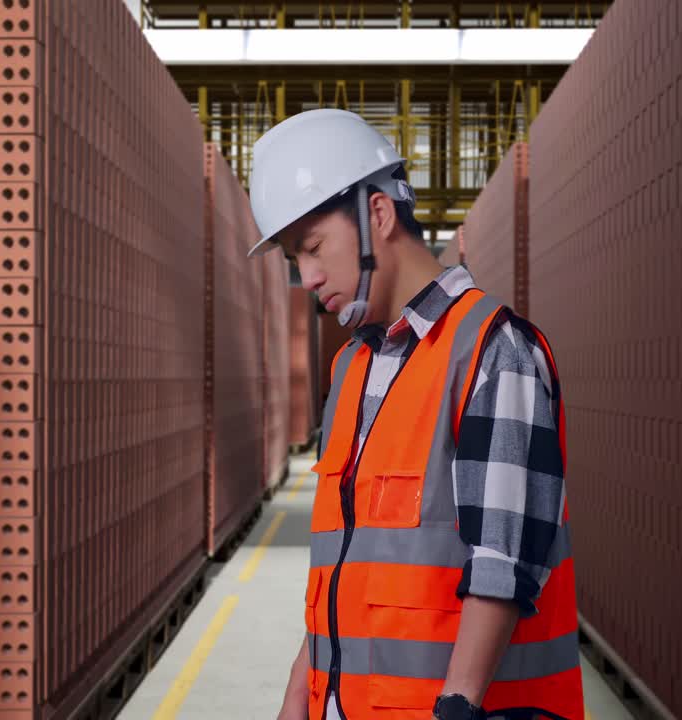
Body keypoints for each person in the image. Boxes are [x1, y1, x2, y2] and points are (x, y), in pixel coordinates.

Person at [246, 108, 584, 720]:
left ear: (378, 214)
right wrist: (300, 697)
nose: (308, 276)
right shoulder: (352, 369)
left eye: (314, 247)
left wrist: (456, 708)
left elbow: (502, 567)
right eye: (296, 258)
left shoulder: (493, 350)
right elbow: (348, 567)